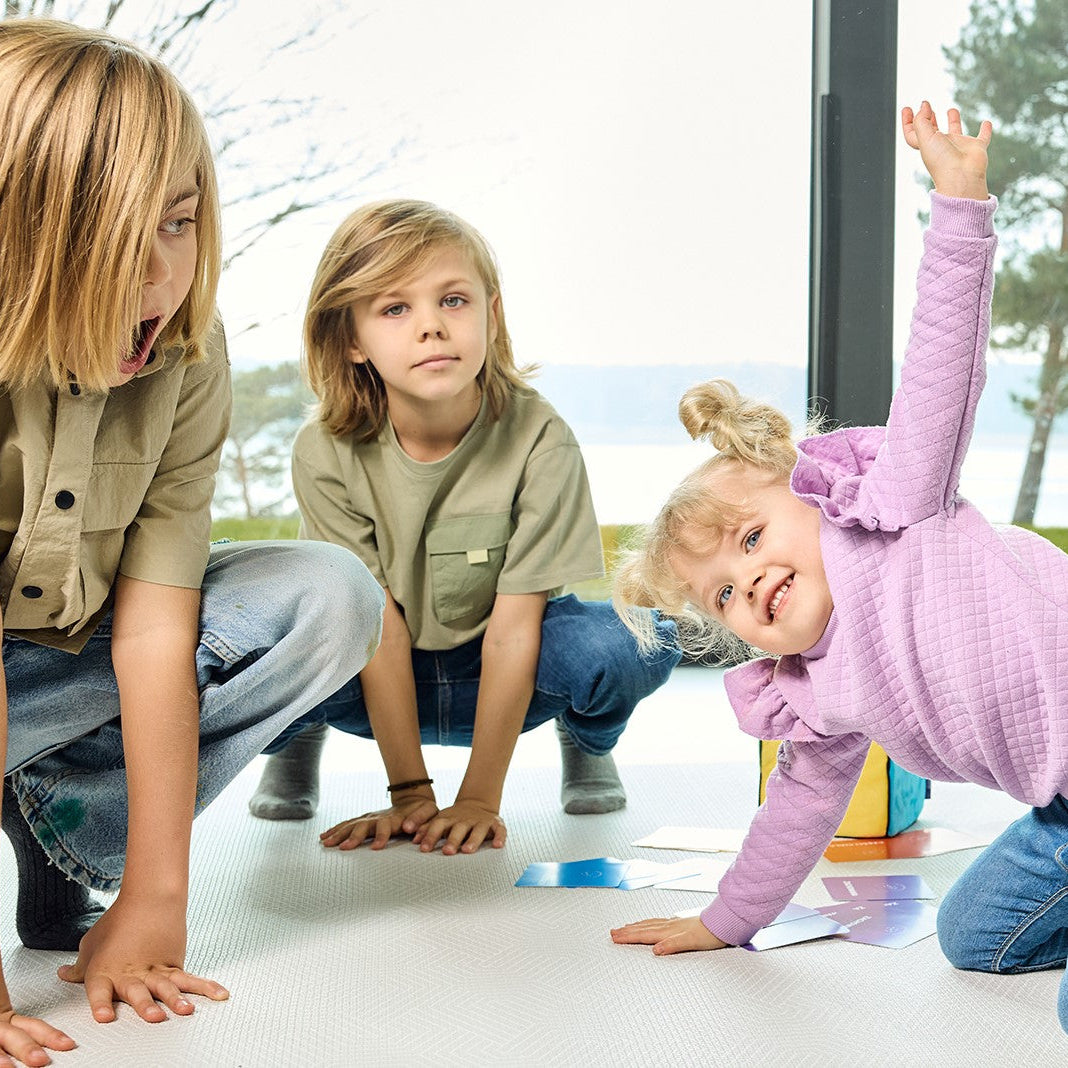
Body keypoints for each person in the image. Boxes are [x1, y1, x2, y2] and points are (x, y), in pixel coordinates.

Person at [610, 101, 1068, 1031]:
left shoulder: (899, 508)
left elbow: (944, 363)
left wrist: (960, 206)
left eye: (751, 540)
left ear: (810, 496)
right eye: (724, 595)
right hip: (1059, 803)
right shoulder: (809, 695)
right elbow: (795, 815)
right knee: (975, 938)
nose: (751, 583)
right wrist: (724, 922)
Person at [0, 19, 384, 1064]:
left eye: (178, 223)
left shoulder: (185, 349)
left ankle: (56, 823)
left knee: (329, 594)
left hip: (57, 666)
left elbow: (155, 632)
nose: (161, 278)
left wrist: (159, 895)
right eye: (116, 242)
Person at [248, 199, 680, 855]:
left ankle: (586, 737)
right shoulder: (324, 449)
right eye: (396, 309)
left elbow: (515, 630)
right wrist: (412, 797)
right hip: (377, 671)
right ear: (352, 341)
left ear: (491, 313)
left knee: (627, 646)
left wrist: (479, 798)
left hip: (504, 664)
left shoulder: (541, 438)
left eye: (453, 300)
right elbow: (374, 625)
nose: (432, 328)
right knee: (255, 650)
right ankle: (297, 736)